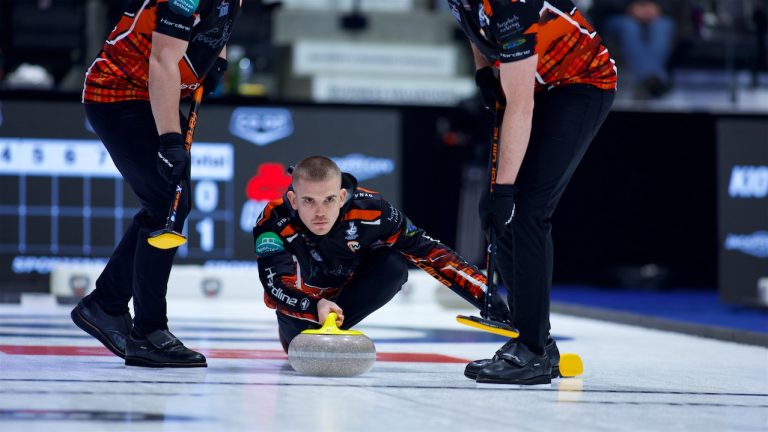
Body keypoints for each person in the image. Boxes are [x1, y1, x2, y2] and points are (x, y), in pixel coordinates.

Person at [445, 0, 617, 384]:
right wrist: (483, 72)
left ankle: (532, 352)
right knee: (496, 215)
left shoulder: (512, 5)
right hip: (535, 80)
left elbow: (520, 107)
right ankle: (536, 340)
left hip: (579, 84)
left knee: (524, 210)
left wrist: (504, 189)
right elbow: (476, 29)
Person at [71, 0, 241, 368]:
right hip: (120, 96)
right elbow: (162, 61)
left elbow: (219, 28)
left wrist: (217, 62)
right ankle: (148, 332)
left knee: (169, 204)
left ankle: (106, 305)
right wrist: (169, 139)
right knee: (168, 203)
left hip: (151, 94)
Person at [253, 156, 516, 358]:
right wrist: (314, 307)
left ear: (342, 196)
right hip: (302, 310)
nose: (320, 211)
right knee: (300, 347)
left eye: (329, 199)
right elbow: (275, 285)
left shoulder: (374, 210)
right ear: (293, 200)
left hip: (345, 299)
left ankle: (336, 330)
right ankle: (307, 331)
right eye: (309, 201)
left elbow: (432, 253)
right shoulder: (273, 221)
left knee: (393, 264)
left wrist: (489, 298)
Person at [594, 0, 676, 98]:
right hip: (618, 15)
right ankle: (656, 79)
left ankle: (649, 80)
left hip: (658, 15)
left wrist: (658, 7)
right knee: (629, 26)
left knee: (662, 26)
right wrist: (629, 7)